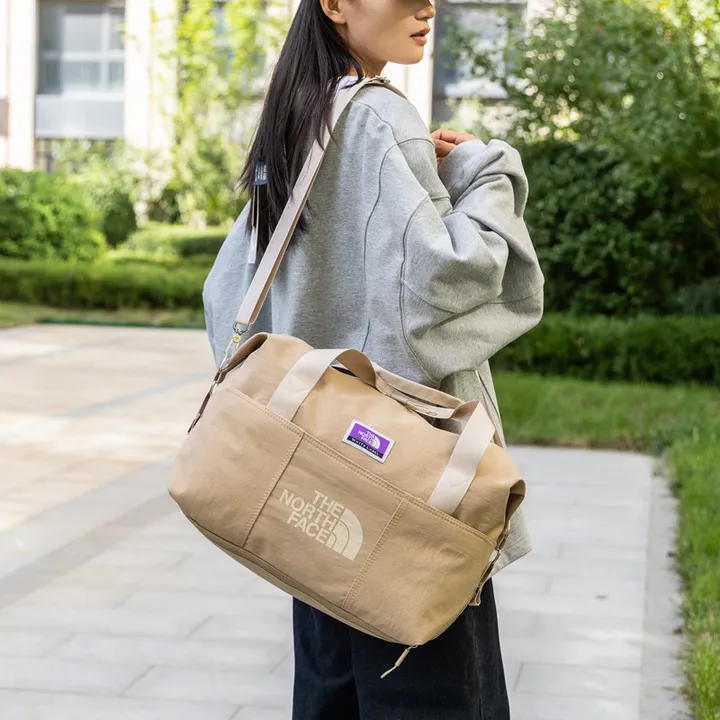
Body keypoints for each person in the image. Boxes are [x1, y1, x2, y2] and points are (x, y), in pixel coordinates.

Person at [203, 0, 545, 717]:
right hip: (405, 490)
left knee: (332, 695)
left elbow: (228, 291)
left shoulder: (299, 116)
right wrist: (489, 170)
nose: (427, 6)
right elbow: (449, 283)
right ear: (334, 4)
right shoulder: (380, 116)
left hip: (316, 485)